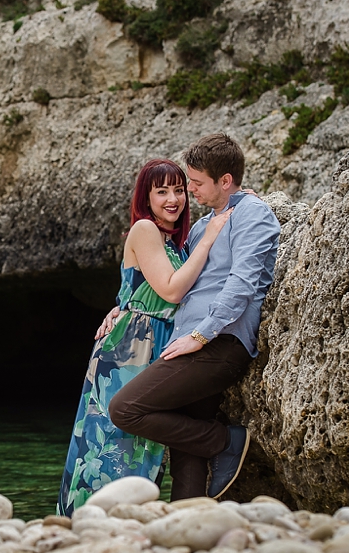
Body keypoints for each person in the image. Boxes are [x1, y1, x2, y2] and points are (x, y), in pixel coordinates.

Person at [56, 158, 233, 517]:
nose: (173, 199)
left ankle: (139, 520)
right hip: (130, 348)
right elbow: (170, 290)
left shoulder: (176, 240)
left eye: (179, 190)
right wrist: (211, 234)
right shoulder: (144, 230)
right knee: (112, 441)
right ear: (146, 197)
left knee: (146, 444)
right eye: (162, 191)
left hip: (161, 340)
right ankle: (89, 520)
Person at [109, 133, 280, 502]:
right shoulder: (202, 228)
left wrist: (202, 335)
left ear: (226, 181)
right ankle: (187, 519)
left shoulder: (252, 213)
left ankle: (225, 441)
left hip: (219, 344)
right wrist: (123, 304)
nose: (189, 191)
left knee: (125, 409)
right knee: (185, 443)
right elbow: (168, 282)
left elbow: (243, 282)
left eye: (196, 183)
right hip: (185, 342)